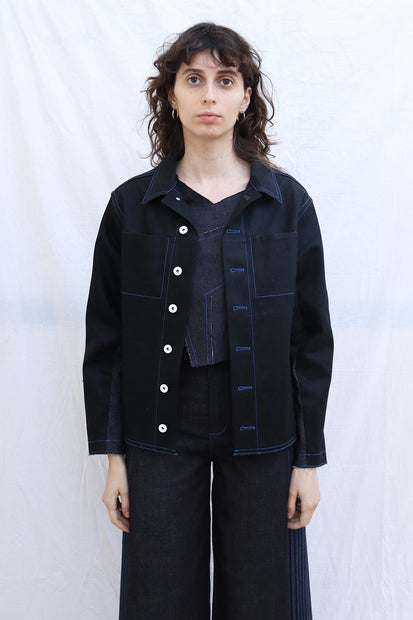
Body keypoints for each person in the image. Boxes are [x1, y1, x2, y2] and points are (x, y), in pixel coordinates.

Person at [83, 22, 333, 620]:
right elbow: (108, 339)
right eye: (193, 79)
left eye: (225, 80)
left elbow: (310, 341)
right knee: (158, 596)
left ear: (246, 96)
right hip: (161, 427)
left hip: (265, 428)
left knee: (265, 598)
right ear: (171, 95)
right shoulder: (130, 207)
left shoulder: (288, 205)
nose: (209, 95)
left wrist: (306, 461)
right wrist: (115, 458)